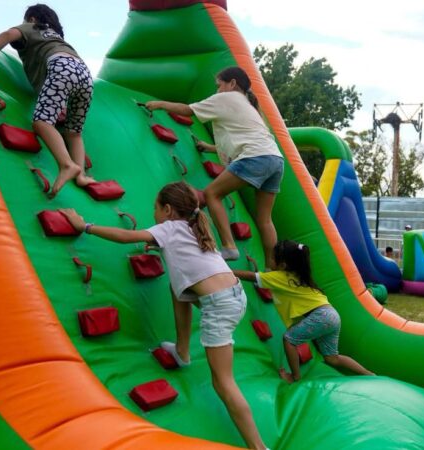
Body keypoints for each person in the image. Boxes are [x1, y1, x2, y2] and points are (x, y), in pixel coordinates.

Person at [59, 182, 267, 450]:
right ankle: (182, 351)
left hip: (218, 306)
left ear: (168, 210)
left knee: (223, 382)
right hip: (235, 295)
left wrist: (84, 226)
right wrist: (160, 247)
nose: (153, 213)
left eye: (155, 208)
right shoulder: (195, 227)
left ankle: (258, 447)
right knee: (177, 286)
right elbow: (188, 260)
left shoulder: (167, 228)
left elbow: (126, 237)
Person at [145, 67, 284, 269]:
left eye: (219, 85)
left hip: (255, 157)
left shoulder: (226, 98)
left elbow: (188, 110)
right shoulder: (249, 105)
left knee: (211, 193)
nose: (217, 90)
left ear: (232, 83)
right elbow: (238, 138)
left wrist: (159, 104)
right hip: (275, 160)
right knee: (265, 220)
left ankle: (229, 246)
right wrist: (208, 147)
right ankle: (273, 266)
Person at [0, 4, 95, 198]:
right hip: (85, 75)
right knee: (74, 133)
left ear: (32, 18)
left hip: (61, 67)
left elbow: (7, 35)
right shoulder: (56, 38)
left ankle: (67, 164)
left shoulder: (33, 27)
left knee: (42, 122)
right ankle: (82, 175)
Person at [233, 240, 374, 383]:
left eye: (272, 258)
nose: (269, 260)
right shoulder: (298, 276)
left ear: (283, 265)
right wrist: (256, 266)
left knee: (289, 339)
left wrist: (227, 272)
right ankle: (368, 374)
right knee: (332, 358)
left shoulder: (282, 277)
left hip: (321, 316)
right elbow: (264, 278)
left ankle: (295, 377)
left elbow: (253, 277)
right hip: (331, 315)